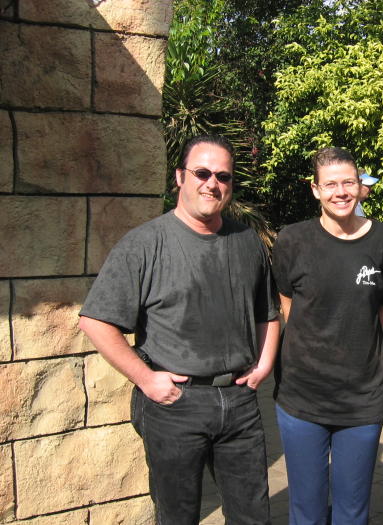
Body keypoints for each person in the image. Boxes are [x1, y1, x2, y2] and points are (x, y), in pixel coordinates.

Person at [78, 135, 280, 525]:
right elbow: (95, 321)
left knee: (253, 515)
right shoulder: (144, 244)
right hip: (175, 406)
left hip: (239, 402)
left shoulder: (246, 241)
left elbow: (267, 312)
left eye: (223, 176)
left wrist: (264, 365)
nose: (212, 183)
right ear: (179, 177)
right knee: (177, 516)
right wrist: (146, 379)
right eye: (201, 173)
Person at [271, 147, 383, 525]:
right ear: (315, 190)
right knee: (306, 510)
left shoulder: (382, 238)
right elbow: (286, 304)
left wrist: (379, 348)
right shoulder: (292, 240)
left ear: (361, 186)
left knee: (352, 510)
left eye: (348, 182)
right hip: (301, 396)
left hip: (361, 398)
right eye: (330, 185)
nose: (341, 192)